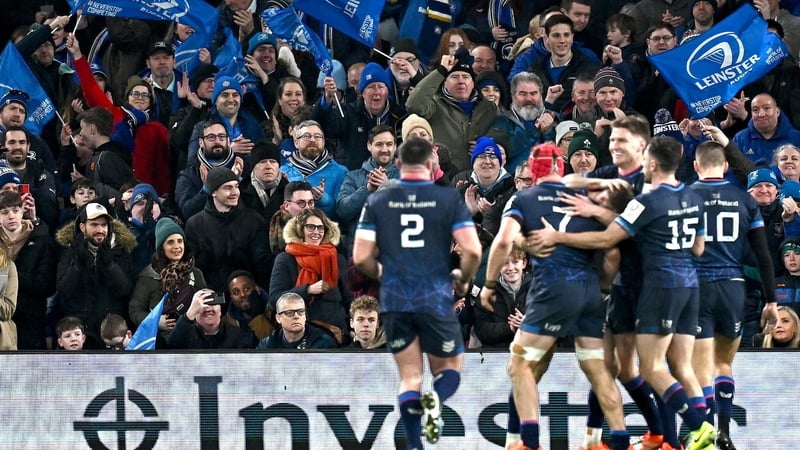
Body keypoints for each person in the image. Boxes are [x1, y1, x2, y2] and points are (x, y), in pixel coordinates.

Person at [529, 136, 717, 450]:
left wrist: (558, 236)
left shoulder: (647, 202)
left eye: (646, 159)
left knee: (651, 367)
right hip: (689, 285)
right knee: (681, 367)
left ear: (653, 164)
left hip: (659, 287)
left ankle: (700, 429)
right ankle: (694, 433)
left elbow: (606, 241)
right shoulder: (692, 195)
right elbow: (699, 248)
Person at [480, 143, 632, 450]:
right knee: (597, 370)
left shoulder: (523, 197)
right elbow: (613, 251)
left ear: (532, 170)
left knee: (519, 365)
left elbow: (502, 242)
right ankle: (619, 441)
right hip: (589, 292)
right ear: (561, 167)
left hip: (551, 290)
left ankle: (529, 443)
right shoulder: (585, 199)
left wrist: (489, 284)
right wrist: (602, 288)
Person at [352, 137, 482, 449]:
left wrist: (386, 274)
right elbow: (473, 251)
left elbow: (360, 258)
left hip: (397, 298)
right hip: (435, 296)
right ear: (431, 165)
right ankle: (436, 400)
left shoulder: (378, 202)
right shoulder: (448, 200)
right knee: (448, 370)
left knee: (410, 377)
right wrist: (462, 281)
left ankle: (414, 444)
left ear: (398, 165)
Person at [690, 141, 778, 450]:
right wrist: (771, 301)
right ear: (726, 166)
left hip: (696, 286)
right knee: (723, 364)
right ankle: (724, 432)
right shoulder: (744, 199)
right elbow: (764, 256)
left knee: (697, 368)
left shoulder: (685, 197)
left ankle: (704, 435)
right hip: (732, 286)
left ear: (696, 166)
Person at [56, 202, 135, 348]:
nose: (100, 230)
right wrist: (78, 265)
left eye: (104, 225)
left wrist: (110, 265)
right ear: (82, 227)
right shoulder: (70, 251)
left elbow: (125, 290)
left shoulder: (120, 251)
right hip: (82, 334)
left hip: (111, 334)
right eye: (94, 225)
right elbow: (63, 290)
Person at [406, 48, 498, 172]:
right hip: (444, 176)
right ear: (444, 82)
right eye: (454, 77)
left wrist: (486, 145)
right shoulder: (435, 104)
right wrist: (441, 71)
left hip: (479, 177)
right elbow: (413, 104)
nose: (461, 81)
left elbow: (499, 135)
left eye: (466, 77)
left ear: (472, 82)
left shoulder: (488, 108)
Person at [269, 208, 351, 344]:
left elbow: (348, 300)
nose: (316, 232)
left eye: (320, 228)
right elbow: (275, 299)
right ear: (301, 230)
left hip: (335, 332)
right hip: (300, 333)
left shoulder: (337, 259)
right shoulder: (286, 259)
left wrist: (348, 330)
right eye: (311, 227)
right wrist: (307, 290)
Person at [184, 166, 270, 292]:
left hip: (249, 295)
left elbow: (262, 265)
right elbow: (196, 269)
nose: (235, 192)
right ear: (213, 192)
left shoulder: (254, 220)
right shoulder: (195, 224)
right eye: (228, 188)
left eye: (236, 186)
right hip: (212, 296)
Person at [129, 217, 206, 347]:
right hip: (160, 342)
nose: (177, 246)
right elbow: (135, 310)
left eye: (180, 241)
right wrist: (156, 321)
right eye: (170, 242)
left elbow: (204, 304)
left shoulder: (195, 274)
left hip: (193, 340)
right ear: (161, 247)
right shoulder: (148, 276)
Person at [0, 190, 55, 350]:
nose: (11, 216)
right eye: (5, 212)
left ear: (23, 211)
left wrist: (13, 277)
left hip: (32, 321)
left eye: (15, 211)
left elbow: (46, 285)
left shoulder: (41, 240)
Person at [337, 125, 400, 247]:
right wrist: (367, 190)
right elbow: (342, 210)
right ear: (369, 146)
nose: (384, 149)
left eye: (389, 144)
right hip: (361, 248)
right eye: (379, 144)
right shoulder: (353, 176)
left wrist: (387, 186)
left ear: (395, 147)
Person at [175, 118, 245, 220]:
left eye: (221, 137)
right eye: (211, 137)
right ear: (201, 142)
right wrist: (206, 189)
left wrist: (237, 181)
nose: (217, 141)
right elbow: (187, 212)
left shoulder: (241, 166)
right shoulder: (190, 174)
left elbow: (250, 208)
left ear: (228, 141)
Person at [486, 72, 556, 171]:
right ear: (513, 96)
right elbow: (501, 151)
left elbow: (559, 155)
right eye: (522, 94)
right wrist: (534, 131)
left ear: (541, 95)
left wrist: (548, 132)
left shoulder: (553, 120)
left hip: (543, 181)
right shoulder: (502, 121)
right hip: (511, 183)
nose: (528, 99)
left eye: (533, 93)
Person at [280, 120, 348, 220]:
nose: (312, 140)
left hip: (325, 231)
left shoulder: (340, 172)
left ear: (323, 142)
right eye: (306, 136)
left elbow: (344, 213)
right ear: (296, 142)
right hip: (290, 231)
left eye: (317, 136)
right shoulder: (283, 171)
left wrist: (323, 199)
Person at [472, 242, 531, 349]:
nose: (510, 268)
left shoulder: (539, 290)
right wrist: (510, 328)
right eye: (505, 263)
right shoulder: (486, 293)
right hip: (495, 358)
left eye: (515, 262)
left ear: (524, 263)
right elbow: (481, 329)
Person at [1, 126, 58, 231]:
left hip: (34, 236)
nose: (17, 147)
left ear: (28, 147)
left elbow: (51, 216)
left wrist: (33, 217)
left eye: (22, 142)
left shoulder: (42, 175)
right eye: (12, 142)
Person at [167, 288, 250, 349]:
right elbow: (171, 347)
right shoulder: (185, 334)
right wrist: (189, 315)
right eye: (204, 304)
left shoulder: (237, 335)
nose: (209, 309)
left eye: (213, 303)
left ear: (220, 310)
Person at [733, 93, 800, 164]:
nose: (761, 114)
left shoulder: (796, 138)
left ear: (777, 112)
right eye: (755, 110)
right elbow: (732, 171)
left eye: (767, 108)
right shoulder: (740, 138)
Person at [256, 293, 338, 349]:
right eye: (289, 313)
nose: (296, 316)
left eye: (300, 312)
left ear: (305, 316)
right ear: (278, 318)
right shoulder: (268, 345)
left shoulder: (324, 343)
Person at [239, 140, 289, 223]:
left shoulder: (289, 192)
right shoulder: (241, 192)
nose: (268, 166)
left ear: (279, 166)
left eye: (273, 162)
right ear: (253, 167)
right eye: (262, 162)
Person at [224, 270, 275, 347]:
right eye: (236, 292)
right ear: (232, 298)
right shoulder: (227, 321)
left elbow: (273, 346)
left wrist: (256, 317)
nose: (242, 295)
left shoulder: (276, 311)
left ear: (257, 289)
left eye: (246, 289)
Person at [269, 181, 315, 254]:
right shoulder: (270, 225)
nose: (307, 208)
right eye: (301, 203)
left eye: (310, 202)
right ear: (286, 205)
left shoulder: (324, 226)